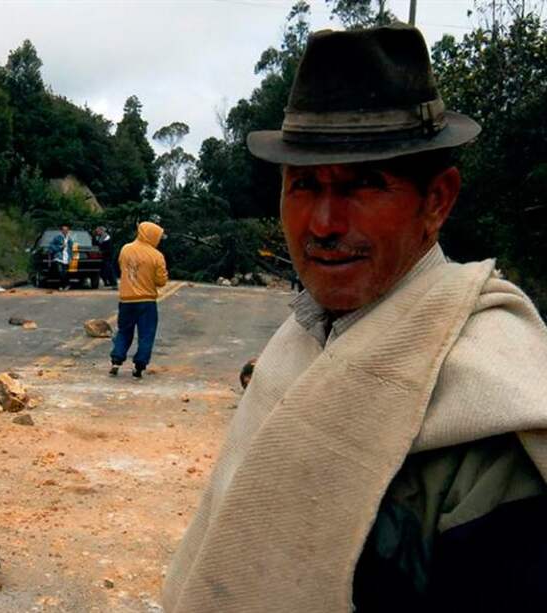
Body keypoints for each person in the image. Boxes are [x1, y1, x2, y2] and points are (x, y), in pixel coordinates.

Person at [163, 24, 547, 613]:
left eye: (365, 184)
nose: (322, 223)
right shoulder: (295, 345)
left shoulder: (495, 415)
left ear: (437, 200)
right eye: (304, 184)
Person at [109, 221, 168, 379]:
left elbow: (121, 267)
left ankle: (116, 359)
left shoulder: (126, 249)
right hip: (147, 301)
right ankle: (139, 366)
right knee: (146, 334)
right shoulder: (156, 256)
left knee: (124, 331)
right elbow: (161, 281)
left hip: (126, 300)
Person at [47, 224, 73, 291]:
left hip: (66, 257)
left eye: (66, 230)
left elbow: (70, 248)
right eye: (64, 230)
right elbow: (51, 246)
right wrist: (60, 247)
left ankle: (66, 285)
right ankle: (61, 286)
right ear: (61, 230)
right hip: (59, 257)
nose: (65, 231)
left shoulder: (69, 238)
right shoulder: (57, 237)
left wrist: (71, 257)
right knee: (60, 271)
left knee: (65, 272)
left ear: (68, 231)